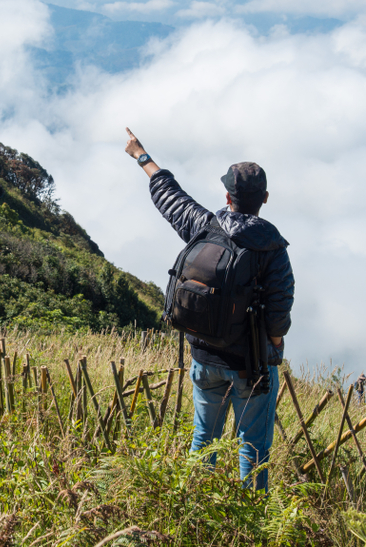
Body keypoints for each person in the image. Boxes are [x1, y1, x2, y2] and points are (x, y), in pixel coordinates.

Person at [124, 127, 294, 491]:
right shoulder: (272, 249)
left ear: (227, 197)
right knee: (253, 449)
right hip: (250, 365)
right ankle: (253, 515)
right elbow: (279, 312)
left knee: (203, 438)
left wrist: (141, 155)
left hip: (203, 356)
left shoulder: (204, 226)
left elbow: (169, 195)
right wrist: (275, 345)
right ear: (265, 198)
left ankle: (193, 501)